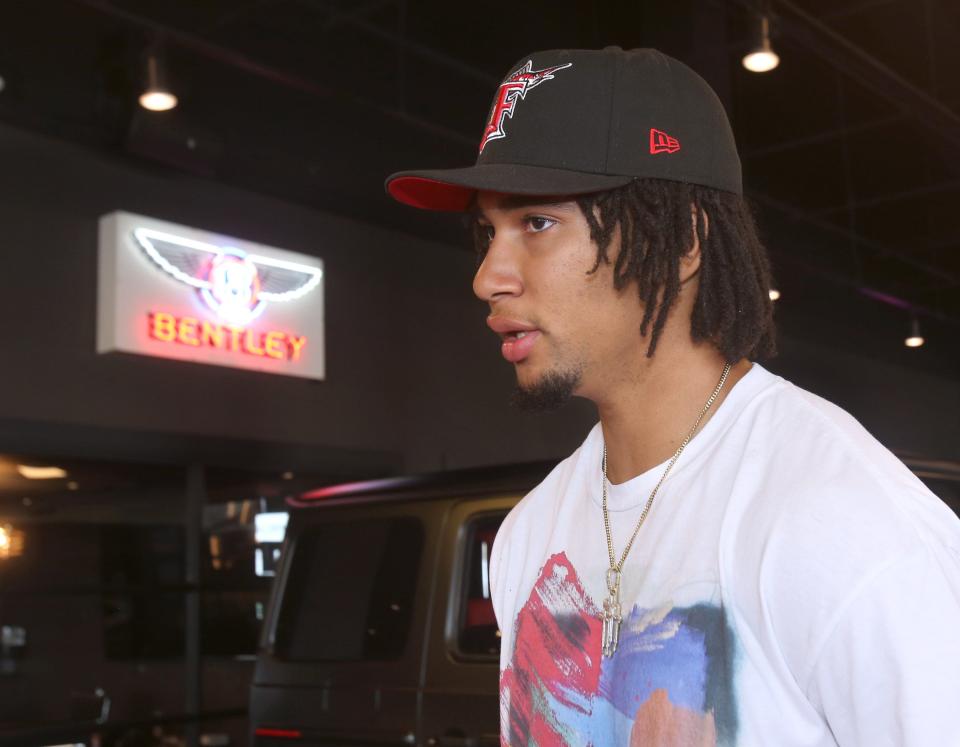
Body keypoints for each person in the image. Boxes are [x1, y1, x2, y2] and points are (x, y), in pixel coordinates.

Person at [386, 46, 960, 746]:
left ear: (684, 239)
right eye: (487, 232)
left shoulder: (847, 529)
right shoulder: (527, 537)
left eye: (536, 223)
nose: (488, 276)